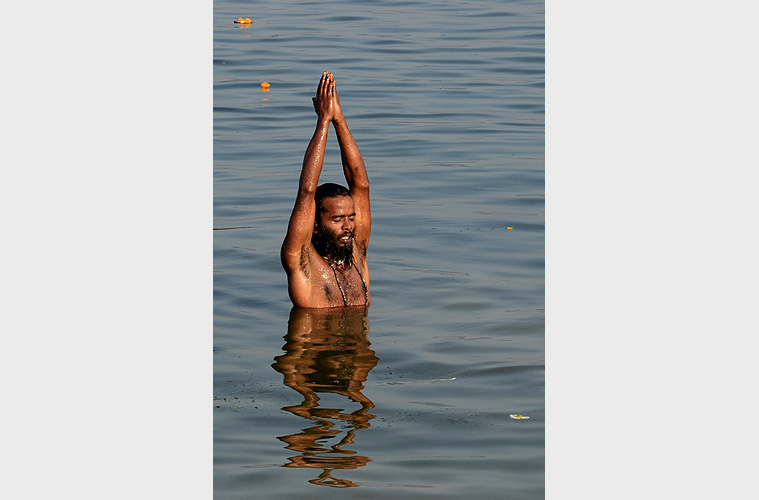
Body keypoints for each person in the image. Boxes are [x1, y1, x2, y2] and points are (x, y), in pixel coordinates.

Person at [281, 72, 371, 308]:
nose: (348, 226)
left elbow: (361, 187)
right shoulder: (303, 265)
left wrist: (339, 119)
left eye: (351, 218)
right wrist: (323, 122)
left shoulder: (357, 256)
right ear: (315, 224)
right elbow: (306, 191)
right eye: (337, 219)